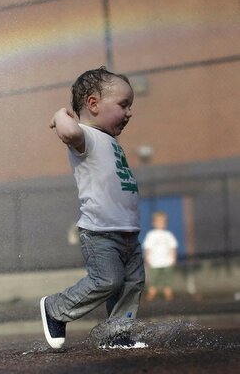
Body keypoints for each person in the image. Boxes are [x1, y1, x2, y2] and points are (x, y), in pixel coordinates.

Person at [41, 67, 144, 349]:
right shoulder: (84, 136)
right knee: (107, 280)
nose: (129, 112)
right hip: (100, 231)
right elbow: (67, 130)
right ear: (93, 104)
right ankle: (55, 308)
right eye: (123, 105)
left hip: (127, 232)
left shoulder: (109, 141)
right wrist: (60, 114)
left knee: (131, 284)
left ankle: (117, 335)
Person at [143, 211, 178, 302]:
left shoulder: (168, 235)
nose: (161, 224)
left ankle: (169, 299)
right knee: (153, 282)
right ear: (154, 223)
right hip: (154, 263)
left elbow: (172, 247)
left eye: (163, 222)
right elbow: (148, 248)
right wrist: (147, 258)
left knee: (168, 282)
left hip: (167, 262)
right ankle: (150, 298)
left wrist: (173, 259)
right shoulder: (151, 235)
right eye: (158, 222)